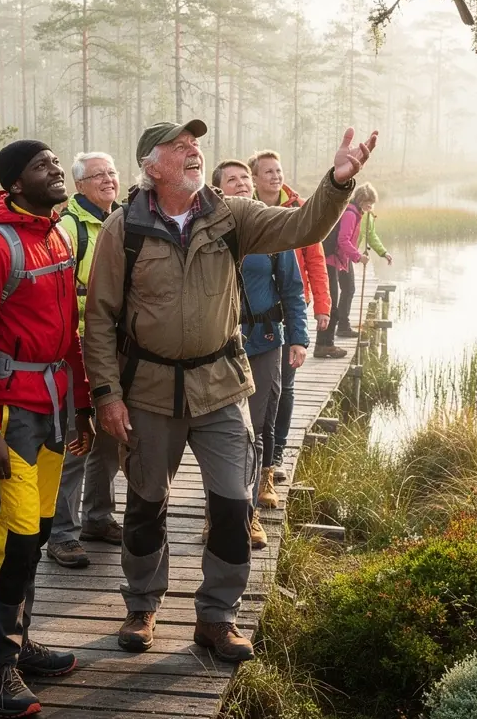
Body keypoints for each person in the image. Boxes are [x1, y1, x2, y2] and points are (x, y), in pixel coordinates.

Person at [83, 119, 377, 662]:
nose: (194, 151)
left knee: (234, 502)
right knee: (147, 506)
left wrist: (338, 182)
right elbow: (99, 319)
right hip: (147, 390)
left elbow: (304, 226)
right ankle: (142, 605)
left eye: (195, 144)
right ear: (152, 167)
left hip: (220, 386)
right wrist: (106, 394)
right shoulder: (122, 229)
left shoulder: (229, 215)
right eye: (179, 147)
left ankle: (217, 617)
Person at [0, 140, 95, 719]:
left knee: (35, 535)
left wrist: (83, 403)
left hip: (57, 406)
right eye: (42, 166)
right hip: (11, 416)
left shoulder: (56, 234)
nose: (56, 169)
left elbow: (68, 336)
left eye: (56, 162)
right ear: (14, 185)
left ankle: (21, 642)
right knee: (12, 542)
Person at [212, 160, 308, 548]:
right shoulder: (208, 228)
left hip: (265, 341)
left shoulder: (269, 227)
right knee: (221, 433)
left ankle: (249, 515)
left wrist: (298, 338)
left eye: (245, 179)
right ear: (217, 188)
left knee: (258, 424)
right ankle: (215, 517)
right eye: (231, 180)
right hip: (216, 349)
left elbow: (292, 289)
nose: (241, 184)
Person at [48, 151, 123, 569]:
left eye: (111, 173)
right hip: (75, 352)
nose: (108, 180)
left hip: (114, 349)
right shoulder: (69, 227)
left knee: (110, 438)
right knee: (77, 442)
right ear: (79, 185)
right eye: (97, 175)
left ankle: (98, 518)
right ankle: (62, 534)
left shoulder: (122, 219)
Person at [249, 150, 340, 480]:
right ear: (255, 178)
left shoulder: (297, 211)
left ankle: (276, 455)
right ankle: (253, 455)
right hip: (254, 315)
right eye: (268, 171)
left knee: (284, 386)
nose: (275, 176)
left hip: (291, 307)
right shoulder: (245, 208)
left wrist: (323, 306)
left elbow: (315, 261)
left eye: (279, 170)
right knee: (258, 389)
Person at [322, 181, 388, 339]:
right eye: (368, 203)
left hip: (342, 258)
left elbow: (357, 238)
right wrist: (358, 257)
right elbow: (343, 240)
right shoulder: (350, 214)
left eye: (372, 203)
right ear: (360, 200)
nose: (370, 206)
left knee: (349, 289)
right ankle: (330, 334)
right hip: (333, 258)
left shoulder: (357, 213)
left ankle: (343, 326)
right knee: (335, 293)